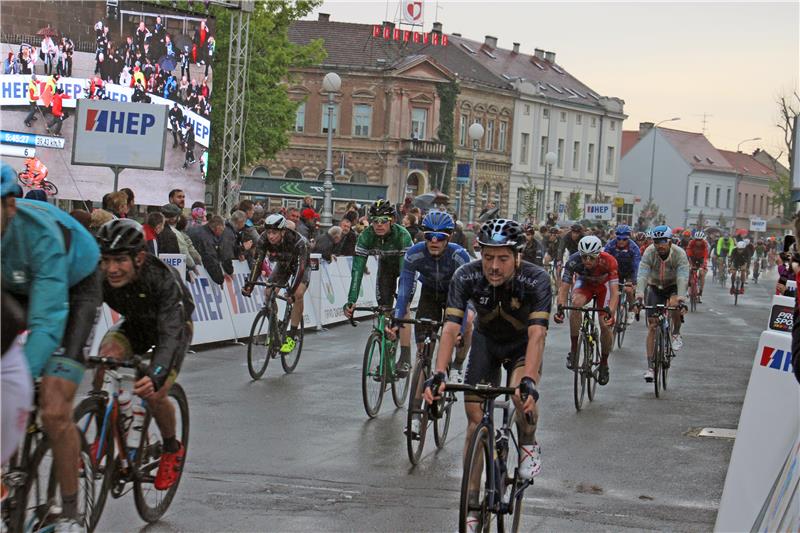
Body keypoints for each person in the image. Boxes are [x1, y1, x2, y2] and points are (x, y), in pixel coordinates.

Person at [423, 218, 550, 529]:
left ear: (517, 256)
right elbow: (451, 328)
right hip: (486, 342)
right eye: (488, 257)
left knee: (522, 399)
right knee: (474, 419)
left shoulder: (536, 280)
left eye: (503, 258)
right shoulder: (465, 275)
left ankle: (528, 440)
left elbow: (537, 336)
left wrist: (530, 383)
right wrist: (439, 372)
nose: (493, 266)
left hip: (521, 345)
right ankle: (473, 503)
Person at [1, 164, 102, 532]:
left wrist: (22, 380)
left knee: (54, 408)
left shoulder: (39, 235)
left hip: (74, 286)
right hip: (14, 286)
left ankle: (71, 513)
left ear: (10, 206)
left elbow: (46, 322)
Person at [95, 219, 194, 493]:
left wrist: (157, 373)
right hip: (136, 324)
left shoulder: (161, 278)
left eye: (119, 260)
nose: (111, 269)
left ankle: (172, 447)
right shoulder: (101, 274)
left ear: (139, 257)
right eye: (106, 260)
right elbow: (84, 312)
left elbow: (171, 333)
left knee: (154, 391)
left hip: (173, 328)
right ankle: (105, 436)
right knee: (105, 360)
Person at [390, 211, 471, 395]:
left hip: (454, 294)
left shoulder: (459, 256)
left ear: (448, 237)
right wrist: (396, 319)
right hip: (430, 294)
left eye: (440, 237)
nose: (434, 241)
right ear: (424, 236)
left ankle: (457, 365)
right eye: (429, 236)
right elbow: (404, 290)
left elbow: (465, 297)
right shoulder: (414, 253)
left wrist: (461, 326)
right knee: (423, 351)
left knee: (469, 324)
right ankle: (418, 413)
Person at [343, 199, 414, 375]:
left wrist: (400, 305)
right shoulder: (366, 236)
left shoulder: (402, 235)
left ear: (392, 221)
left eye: (384, 221)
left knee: (403, 308)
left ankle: (405, 357)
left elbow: (406, 278)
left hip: (406, 267)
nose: (379, 225)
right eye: (375, 221)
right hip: (386, 268)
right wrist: (351, 300)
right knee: (384, 309)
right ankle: (386, 357)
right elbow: (357, 271)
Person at [554, 235, 619, 385]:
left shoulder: (609, 261)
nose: (587, 261)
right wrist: (560, 308)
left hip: (604, 288)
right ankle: (574, 349)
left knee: (605, 325)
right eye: (584, 257)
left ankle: (604, 363)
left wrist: (612, 312)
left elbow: (615, 292)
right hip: (585, 285)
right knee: (576, 304)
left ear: (598, 255)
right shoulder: (573, 261)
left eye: (591, 257)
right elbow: (564, 288)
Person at [242, 214, 310, 353]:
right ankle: (276, 325)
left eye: (274, 232)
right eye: (268, 232)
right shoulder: (263, 239)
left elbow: (301, 268)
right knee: (268, 292)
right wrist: (250, 285)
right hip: (283, 265)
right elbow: (258, 262)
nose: (270, 236)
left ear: (283, 231)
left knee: (297, 294)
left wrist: (291, 291)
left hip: (300, 266)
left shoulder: (297, 241)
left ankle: (292, 335)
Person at [635, 225, 689, 382]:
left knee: (674, 304)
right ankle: (650, 367)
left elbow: (682, 277)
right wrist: (639, 296)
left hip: (673, 286)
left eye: (663, 241)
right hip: (655, 286)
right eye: (656, 241)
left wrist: (681, 298)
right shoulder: (650, 252)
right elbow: (643, 274)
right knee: (652, 326)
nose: (660, 245)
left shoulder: (679, 254)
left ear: (670, 241)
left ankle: (676, 333)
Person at [604, 225, 641, 321]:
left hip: (629, 271)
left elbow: (636, 266)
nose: (621, 241)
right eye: (619, 239)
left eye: (624, 239)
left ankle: (631, 308)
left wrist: (633, 281)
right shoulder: (610, 245)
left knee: (628, 290)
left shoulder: (634, 248)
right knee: (612, 291)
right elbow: (604, 261)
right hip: (615, 271)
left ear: (628, 238)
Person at [187, 215, 226, 285]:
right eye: (222, 230)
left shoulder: (194, 229)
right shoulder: (207, 239)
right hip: (194, 270)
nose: (222, 233)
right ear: (217, 228)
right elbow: (210, 259)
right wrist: (220, 278)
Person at [685, 230, 709, 301]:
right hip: (693, 258)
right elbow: (688, 251)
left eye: (700, 240)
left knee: (702, 273)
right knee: (689, 271)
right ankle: (689, 287)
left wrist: (703, 265)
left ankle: (700, 290)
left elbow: (705, 254)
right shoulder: (691, 242)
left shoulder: (705, 243)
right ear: (695, 239)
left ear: (702, 240)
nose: (698, 242)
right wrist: (690, 263)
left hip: (701, 259)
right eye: (697, 240)